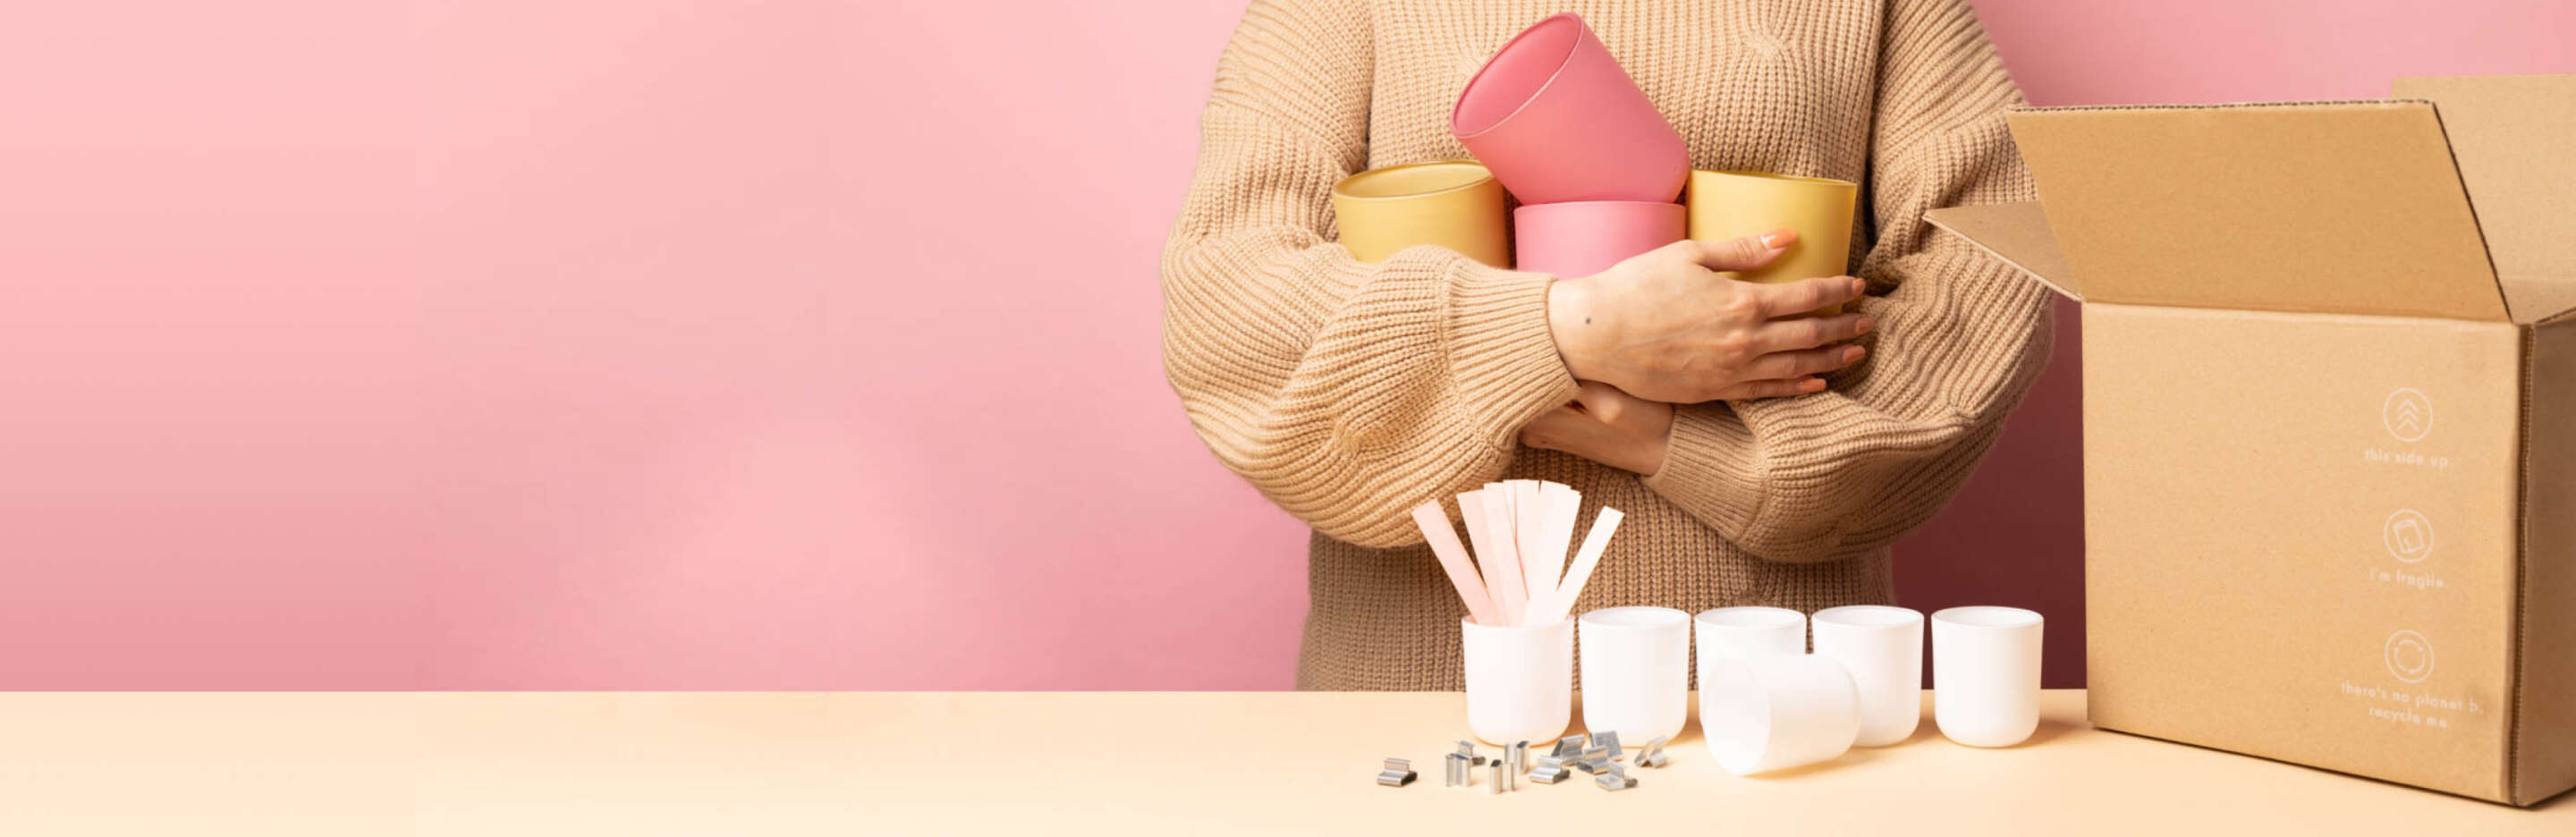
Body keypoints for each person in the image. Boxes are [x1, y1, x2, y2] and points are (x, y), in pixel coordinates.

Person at [1161, 0, 2052, 689]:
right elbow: (1226, 302)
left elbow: (1991, 266)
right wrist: (1571, 330)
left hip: (1768, 701)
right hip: (1430, 699)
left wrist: (1678, 444)